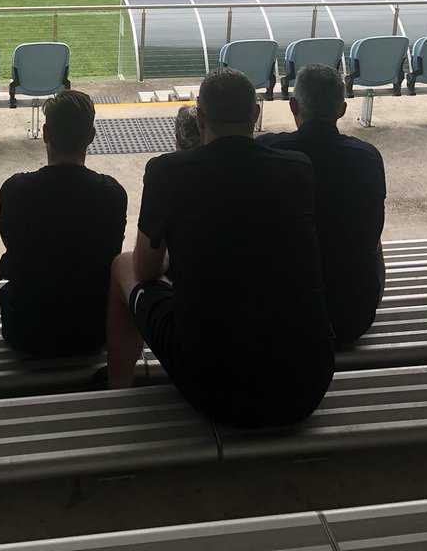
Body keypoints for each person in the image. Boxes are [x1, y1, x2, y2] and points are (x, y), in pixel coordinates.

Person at [106, 68, 334, 428]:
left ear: (199, 118)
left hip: (216, 389)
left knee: (123, 265)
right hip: (309, 380)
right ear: (255, 113)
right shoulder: (298, 168)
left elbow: (146, 271)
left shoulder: (169, 171)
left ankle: (116, 391)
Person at [257, 65, 386, 346]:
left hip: (279, 316)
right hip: (352, 317)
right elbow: (371, 235)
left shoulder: (266, 150)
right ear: (342, 109)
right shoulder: (367, 157)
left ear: (293, 105)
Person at [0, 91, 127, 357]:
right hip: (91, 332)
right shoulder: (112, 194)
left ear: (45, 133)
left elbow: (13, 245)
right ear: (91, 136)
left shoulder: (15, 190)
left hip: (25, 330)